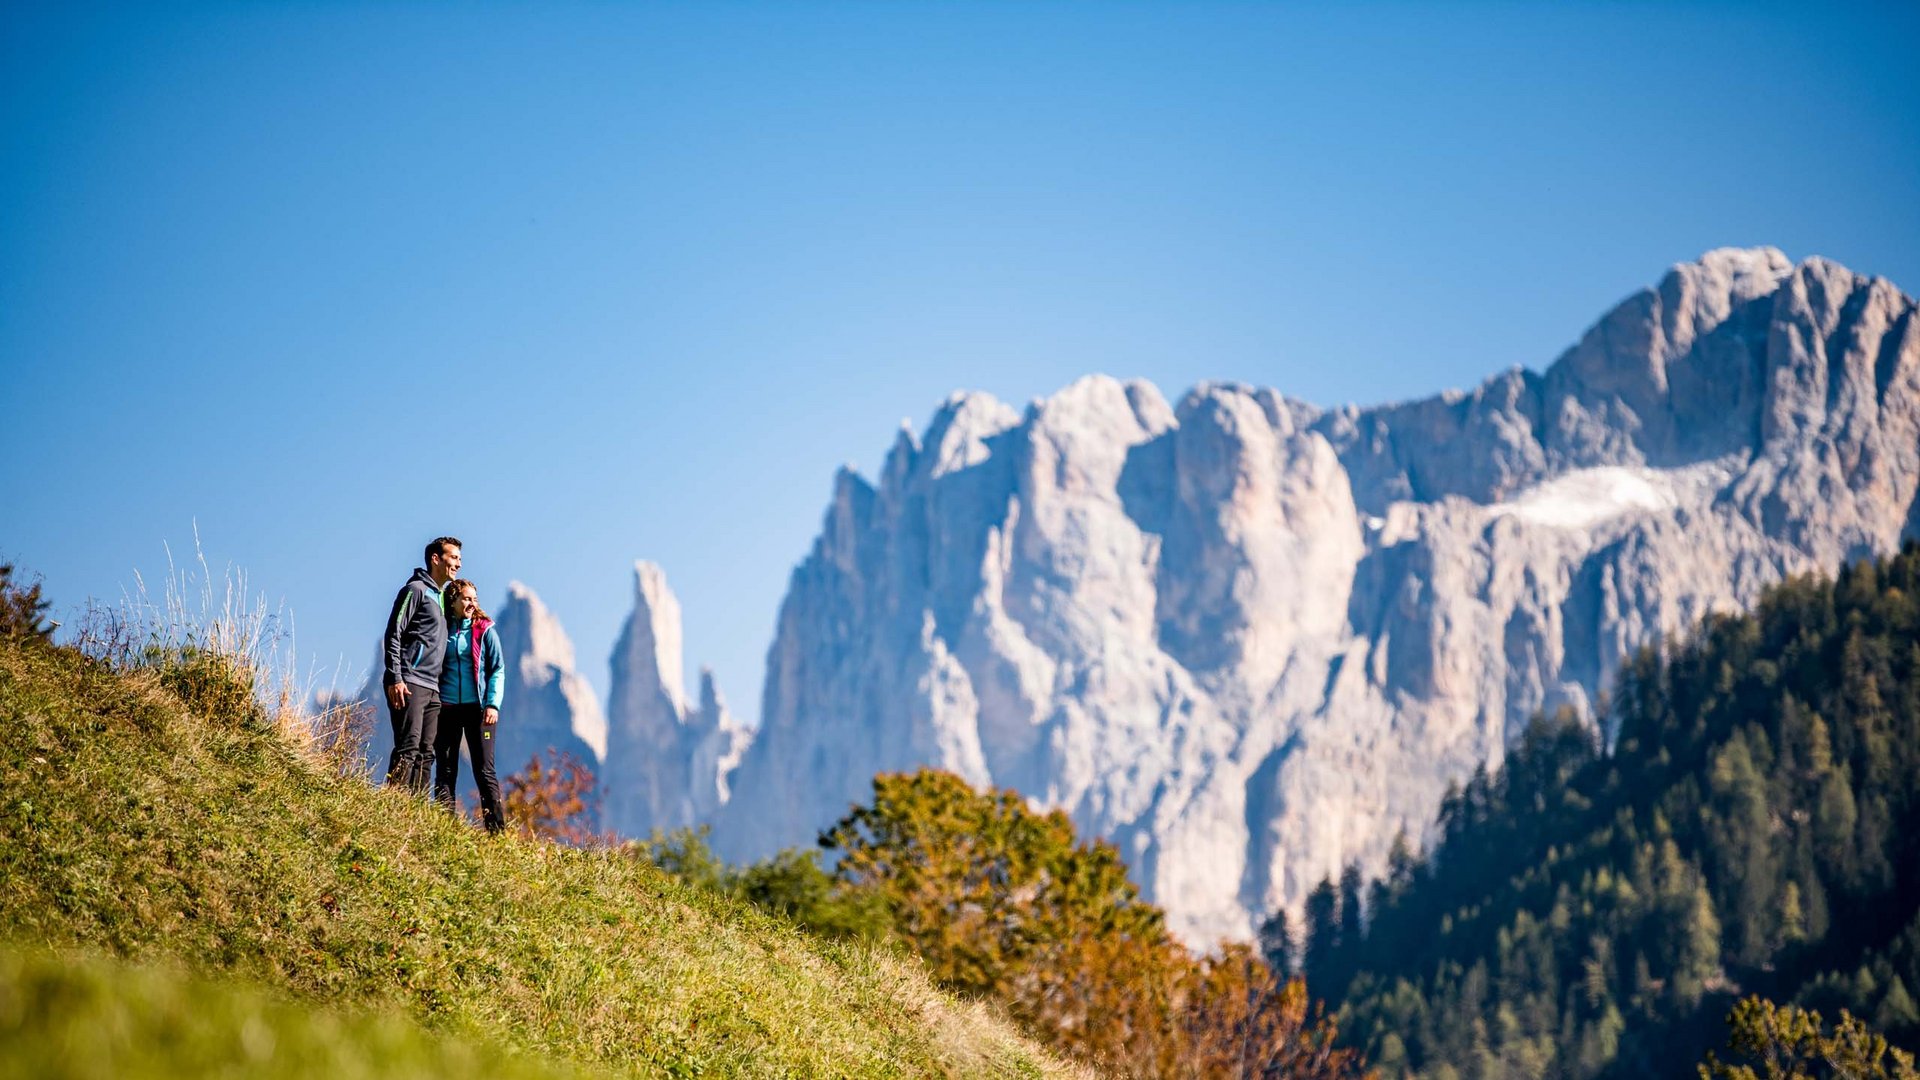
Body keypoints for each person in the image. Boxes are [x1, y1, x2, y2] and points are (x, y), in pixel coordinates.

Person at [382, 536, 461, 793]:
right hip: (409, 681)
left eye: (460, 558)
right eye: (453, 557)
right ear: (435, 559)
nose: (458, 564)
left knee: (427, 753)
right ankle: (392, 807)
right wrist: (396, 677)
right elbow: (394, 632)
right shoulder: (415, 590)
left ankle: (415, 814)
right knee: (409, 746)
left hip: (432, 687)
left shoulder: (441, 597)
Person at [433, 578, 507, 833]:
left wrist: (492, 705)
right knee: (445, 768)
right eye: (466, 598)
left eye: (474, 598)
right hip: (447, 709)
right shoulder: (442, 629)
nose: (472, 603)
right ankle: (444, 828)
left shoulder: (485, 630)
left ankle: (496, 832)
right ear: (452, 600)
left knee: (484, 770)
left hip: (478, 710)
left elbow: (497, 669)